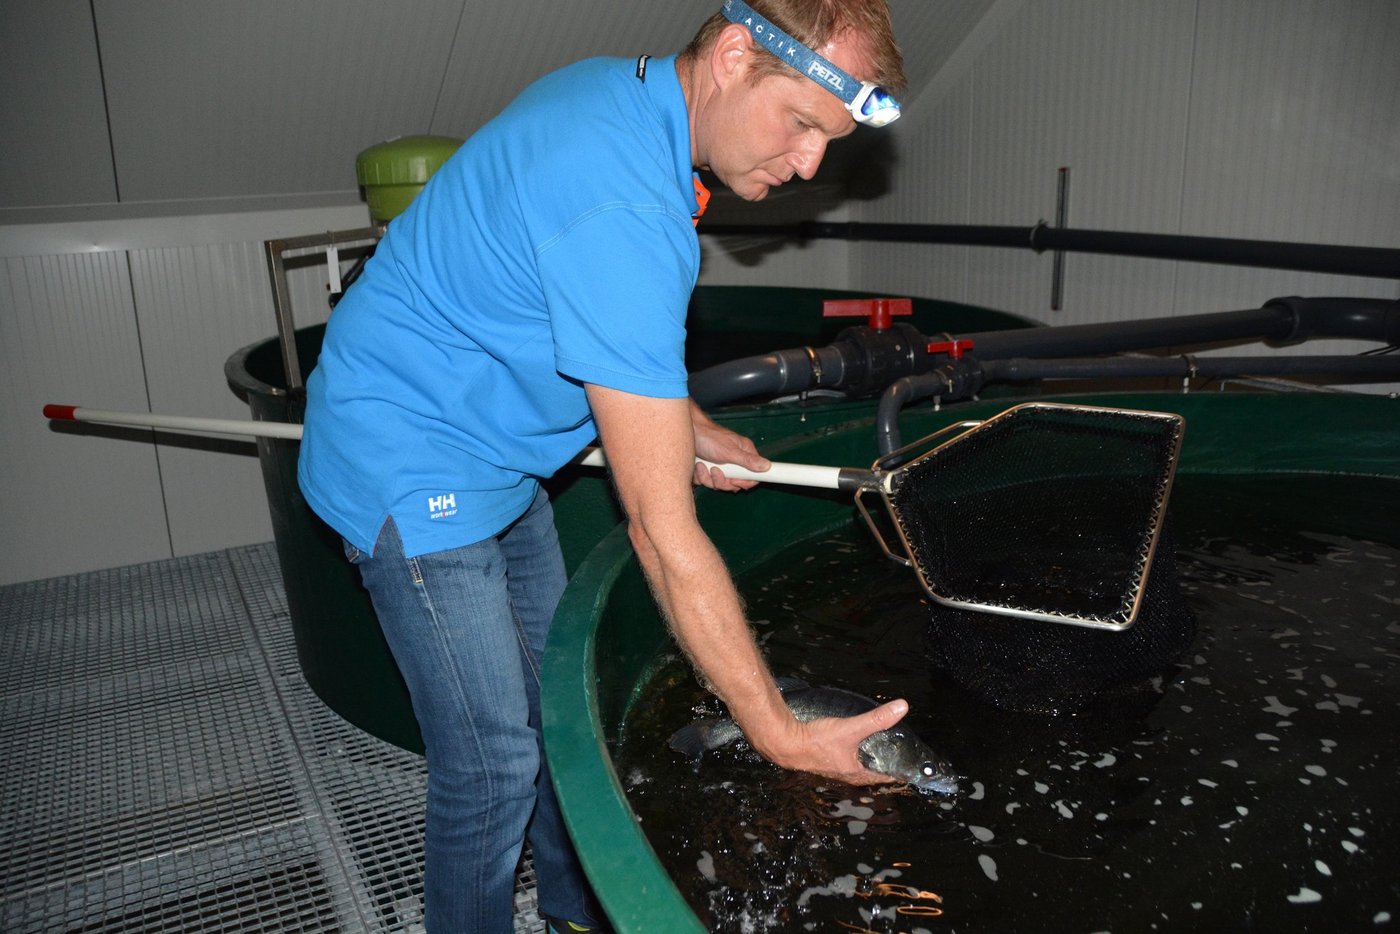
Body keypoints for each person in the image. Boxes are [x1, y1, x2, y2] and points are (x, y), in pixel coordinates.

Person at [297, 1, 907, 930]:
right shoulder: (622, 205)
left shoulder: (620, 93)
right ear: (738, 55)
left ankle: (576, 912)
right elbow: (663, 540)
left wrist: (687, 424)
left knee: (561, 711)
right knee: (493, 761)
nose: (812, 164)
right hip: (408, 458)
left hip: (497, 452)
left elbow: (596, 326)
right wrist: (777, 731)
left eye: (831, 140)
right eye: (802, 124)